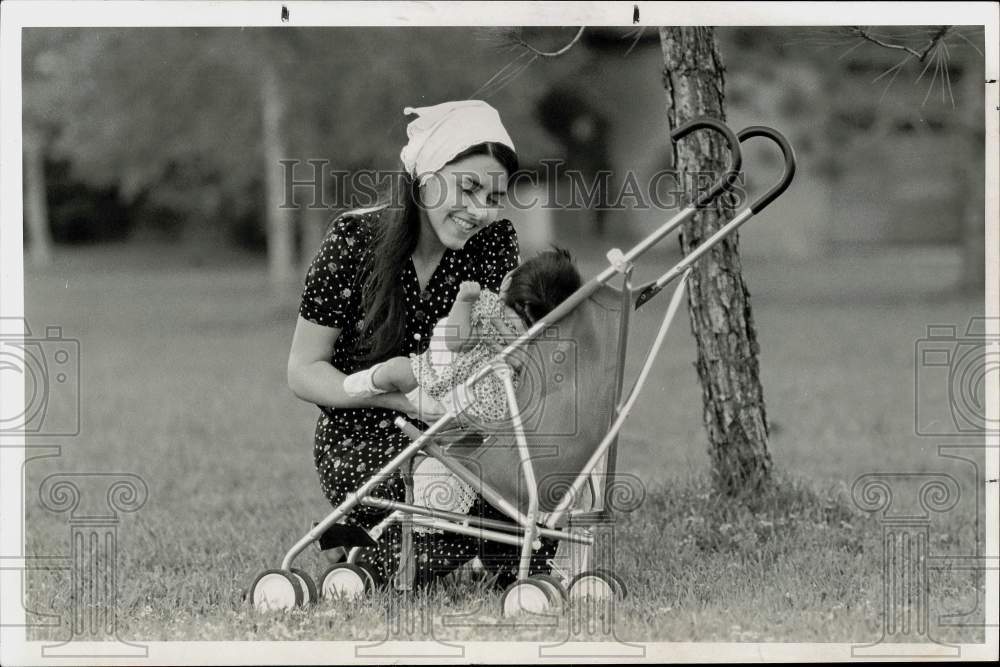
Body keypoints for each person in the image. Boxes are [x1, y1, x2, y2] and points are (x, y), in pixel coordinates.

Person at [287, 100, 558, 588]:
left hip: (462, 432)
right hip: (365, 439)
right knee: (451, 503)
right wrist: (397, 396)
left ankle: (383, 544)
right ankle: (374, 557)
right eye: (468, 187)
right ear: (427, 175)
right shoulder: (353, 240)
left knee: (534, 497)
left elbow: (499, 353)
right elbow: (303, 369)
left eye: (494, 196)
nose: (480, 210)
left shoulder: (495, 243)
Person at [340, 248, 582, 524]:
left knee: (445, 461)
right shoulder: (486, 304)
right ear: (506, 288)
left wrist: (521, 360)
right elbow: (456, 341)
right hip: (444, 385)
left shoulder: (539, 345)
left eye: (529, 325)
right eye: (514, 314)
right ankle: (365, 383)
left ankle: (438, 511)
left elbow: (544, 383)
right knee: (398, 369)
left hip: (476, 414)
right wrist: (465, 302)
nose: (517, 328)